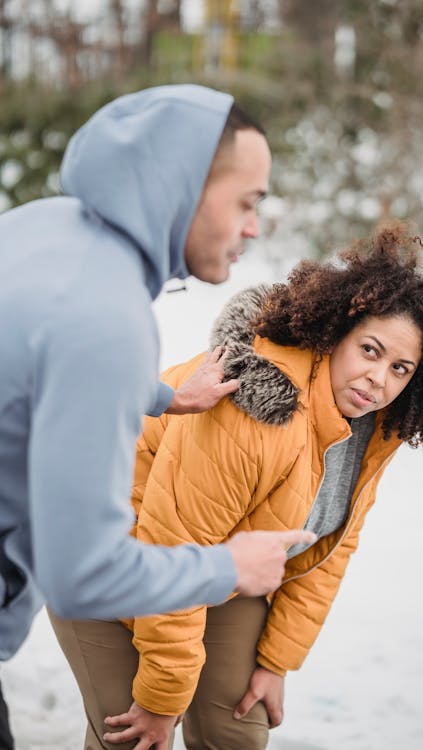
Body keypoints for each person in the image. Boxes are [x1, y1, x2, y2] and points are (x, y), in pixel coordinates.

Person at [49, 224, 423, 750]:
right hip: (105, 549)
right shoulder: (260, 408)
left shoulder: (373, 430)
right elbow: (172, 541)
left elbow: (329, 545)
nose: (379, 378)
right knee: (135, 736)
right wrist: (162, 699)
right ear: (334, 337)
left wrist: (275, 661)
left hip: (217, 566)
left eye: (400, 368)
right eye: (370, 351)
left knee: (235, 729)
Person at [0, 84, 315, 747]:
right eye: (248, 203)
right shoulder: (108, 318)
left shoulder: (47, 225)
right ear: (185, 185)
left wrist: (166, 397)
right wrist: (229, 568)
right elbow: (83, 575)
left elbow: (34, 362)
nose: (255, 228)